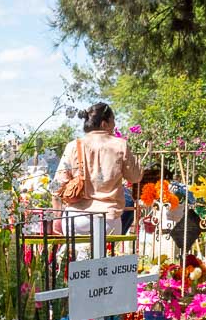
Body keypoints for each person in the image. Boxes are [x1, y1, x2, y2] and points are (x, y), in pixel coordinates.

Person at [52, 103, 141, 243]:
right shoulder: (119, 145)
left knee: (75, 256)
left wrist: (57, 218)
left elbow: (57, 185)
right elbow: (134, 177)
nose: (114, 125)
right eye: (113, 121)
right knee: (104, 257)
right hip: (107, 219)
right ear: (104, 123)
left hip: (75, 218)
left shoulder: (73, 146)